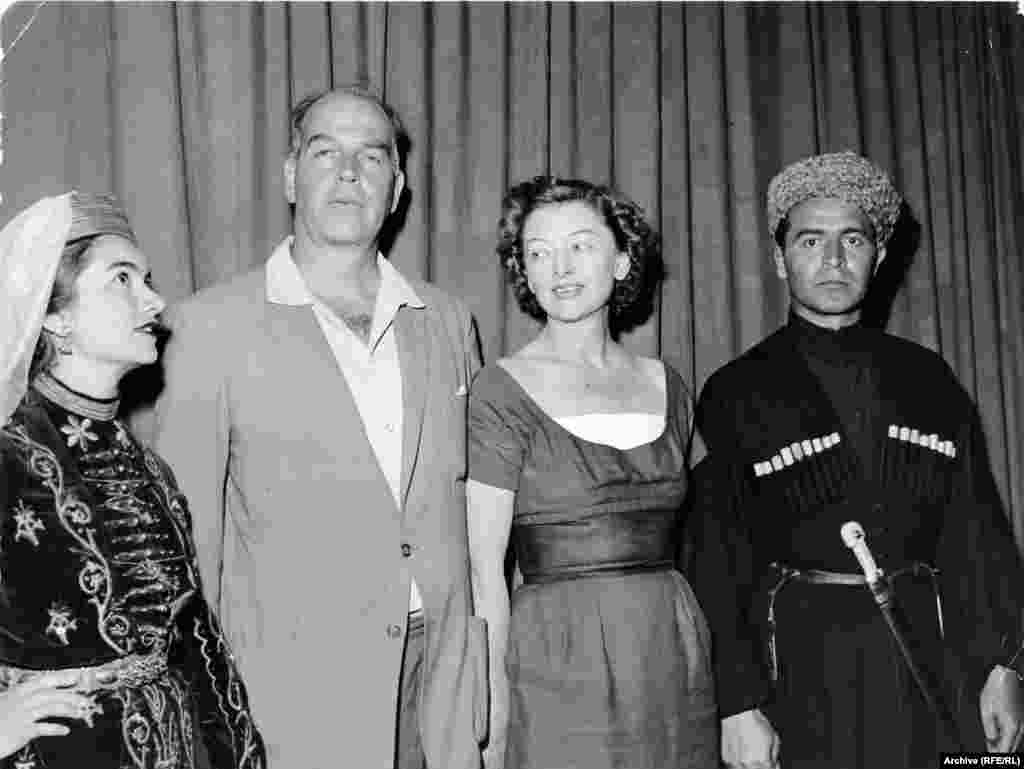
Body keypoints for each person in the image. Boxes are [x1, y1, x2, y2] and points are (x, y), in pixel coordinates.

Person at [152, 85, 487, 769]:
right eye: (325, 152)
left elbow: (476, 517)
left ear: (396, 189)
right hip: (291, 700)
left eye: (372, 156)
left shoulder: (448, 322)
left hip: (440, 691)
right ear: (290, 176)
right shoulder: (207, 328)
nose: (349, 173)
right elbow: (187, 548)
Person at [689, 150, 1024, 769]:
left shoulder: (928, 379)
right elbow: (716, 562)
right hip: (801, 669)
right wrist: (737, 704)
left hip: (931, 660)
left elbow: (977, 534)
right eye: (810, 241)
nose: (833, 260)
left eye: (853, 240)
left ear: (880, 254)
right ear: (779, 260)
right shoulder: (737, 391)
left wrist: (1005, 666)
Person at [0, 192, 265, 769]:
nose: (154, 300)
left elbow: (196, 640)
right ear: (55, 316)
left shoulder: (150, 469)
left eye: (146, 279)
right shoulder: (7, 454)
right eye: (121, 279)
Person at [467, 176, 718, 769]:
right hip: (557, 655)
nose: (560, 267)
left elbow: (707, 542)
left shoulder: (669, 385)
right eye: (538, 252)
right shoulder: (500, 390)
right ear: (524, 273)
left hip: (671, 648)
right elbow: (484, 573)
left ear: (623, 259)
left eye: (580, 245)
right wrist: (493, 707)